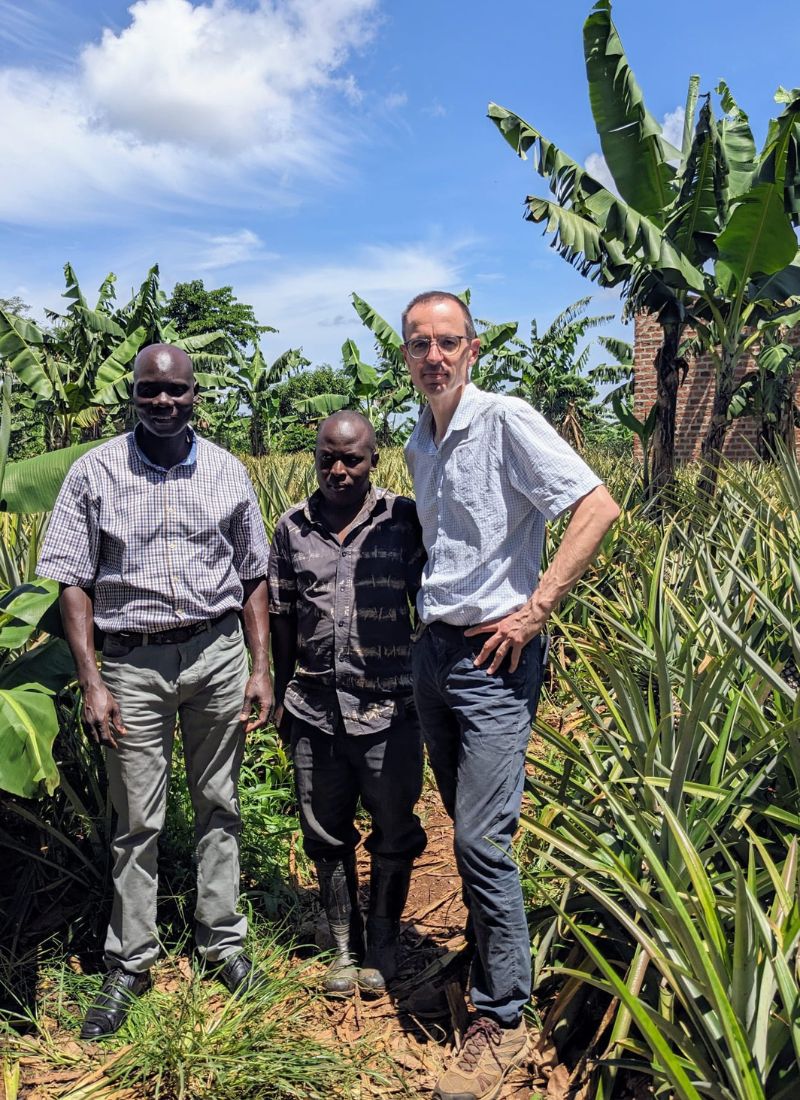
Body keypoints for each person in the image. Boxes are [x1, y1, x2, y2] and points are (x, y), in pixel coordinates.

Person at [401, 292, 620, 1100]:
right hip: (437, 653)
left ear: (474, 348)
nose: (434, 356)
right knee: (467, 827)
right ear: (406, 355)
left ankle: (503, 1016)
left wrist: (536, 610)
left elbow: (596, 505)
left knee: (482, 842)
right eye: (419, 344)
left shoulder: (506, 419)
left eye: (447, 343)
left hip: (495, 657)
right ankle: (487, 961)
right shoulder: (420, 437)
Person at [37, 344, 273, 1040]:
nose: (164, 402)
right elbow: (73, 581)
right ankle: (130, 961)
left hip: (216, 652)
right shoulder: (94, 472)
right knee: (136, 819)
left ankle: (222, 943)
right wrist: (92, 680)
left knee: (219, 804)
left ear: (196, 393)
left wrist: (260, 668)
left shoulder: (228, 471)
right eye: (150, 391)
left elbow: (254, 575)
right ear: (133, 396)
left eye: (176, 391)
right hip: (132, 665)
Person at [268, 410, 426, 996]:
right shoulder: (291, 528)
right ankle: (343, 943)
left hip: (390, 708)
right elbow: (282, 616)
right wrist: (283, 692)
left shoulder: (403, 520)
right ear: (315, 458)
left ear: (372, 461)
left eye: (351, 459)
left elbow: (428, 605)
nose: (338, 470)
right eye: (327, 458)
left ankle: (382, 938)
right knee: (325, 831)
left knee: (393, 826)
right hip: (313, 709)